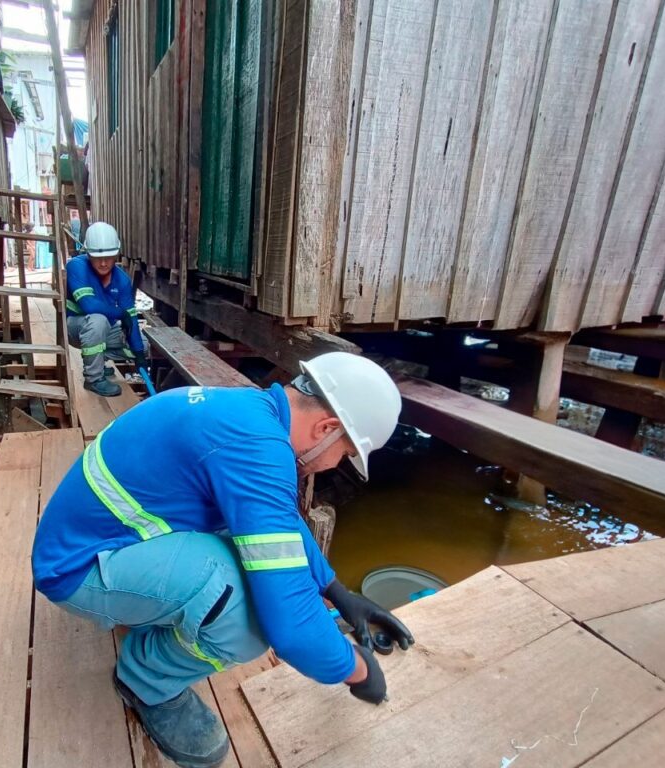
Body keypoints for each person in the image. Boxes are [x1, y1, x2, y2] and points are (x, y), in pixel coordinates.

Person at [32, 352, 414, 767]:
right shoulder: (258, 450)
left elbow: (279, 518)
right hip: (76, 568)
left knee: (250, 567)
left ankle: (154, 620)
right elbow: (292, 630)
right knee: (249, 617)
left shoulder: (251, 413)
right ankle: (146, 680)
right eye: (343, 455)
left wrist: (336, 591)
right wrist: (358, 672)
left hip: (93, 539)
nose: (335, 464)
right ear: (326, 428)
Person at [65, 221, 148, 397]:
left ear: (116, 254)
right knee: (98, 320)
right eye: (97, 258)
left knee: (144, 344)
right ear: (88, 254)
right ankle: (93, 378)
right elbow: (89, 305)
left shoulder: (122, 280)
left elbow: (131, 318)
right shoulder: (76, 266)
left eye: (109, 257)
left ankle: (99, 362)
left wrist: (139, 355)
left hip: (101, 331)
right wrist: (120, 313)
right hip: (74, 328)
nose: (103, 263)